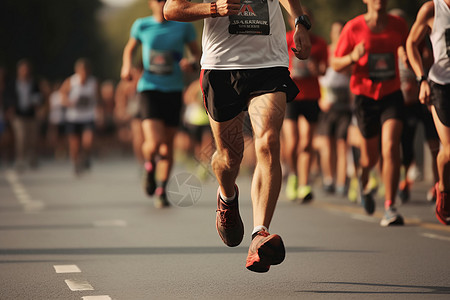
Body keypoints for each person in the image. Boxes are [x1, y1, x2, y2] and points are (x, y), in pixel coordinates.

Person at [164, 0, 311, 272]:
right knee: (229, 158)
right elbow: (172, 9)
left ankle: (259, 234)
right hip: (222, 68)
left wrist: (300, 22)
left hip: (270, 64)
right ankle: (227, 196)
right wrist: (213, 8)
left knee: (268, 141)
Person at [332, 0, 408, 226]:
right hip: (365, 97)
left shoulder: (399, 25)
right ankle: (364, 179)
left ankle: (390, 206)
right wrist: (353, 57)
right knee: (370, 157)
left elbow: (411, 45)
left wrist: (409, 55)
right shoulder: (354, 27)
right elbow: (335, 63)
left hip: (392, 93)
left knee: (391, 146)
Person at [120, 0, 201, 208]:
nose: (162, 3)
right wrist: (127, 67)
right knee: (154, 143)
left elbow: (197, 53)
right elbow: (130, 50)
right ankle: (149, 168)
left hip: (174, 91)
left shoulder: (184, 25)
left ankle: (161, 189)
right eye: (158, 0)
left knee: (168, 145)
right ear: (151, 4)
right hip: (150, 90)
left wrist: (191, 63)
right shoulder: (142, 25)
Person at [388, 8, 440, 204]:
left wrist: (412, 54)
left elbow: (429, 59)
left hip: (424, 97)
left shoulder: (417, 40)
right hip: (403, 102)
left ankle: (437, 185)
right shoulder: (389, 43)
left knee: (433, 143)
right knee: (406, 147)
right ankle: (405, 182)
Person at [406, 0, 450, 225]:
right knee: (449, 149)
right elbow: (411, 43)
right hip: (441, 85)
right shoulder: (432, 9)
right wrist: (421, 78)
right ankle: (443, 187)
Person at [283, 10, 328, 203]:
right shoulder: (285, 39)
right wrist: (288, 71)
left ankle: (304, 183)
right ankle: (293, 175)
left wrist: (316, 69)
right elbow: (277, 63)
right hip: (291, 95)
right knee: (292, 143)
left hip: (311, 96)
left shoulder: (319, 43)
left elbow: (325, 69)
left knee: (307, 143)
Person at [316, 20, 352, 197]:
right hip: (327, 102)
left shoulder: (350, 53)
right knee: (327, 143)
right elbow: (319, 74)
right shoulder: (326, 51)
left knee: (342, 144)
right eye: (336, 31)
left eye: (341, 31)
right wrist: (321, 98)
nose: (338, 35)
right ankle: (329, 178)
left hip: (344, 103)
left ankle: (341, 181)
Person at [60, 58, 99, 176]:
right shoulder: (71, 82)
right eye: (81, 71)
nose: (84, 74)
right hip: (73, 117)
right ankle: (76, 163)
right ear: (77, 71)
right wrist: (68, 102)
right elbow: (61, 95)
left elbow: (97, 99)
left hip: (88, 116)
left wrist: (100, 113)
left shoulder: (93, 82)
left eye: (86, 71)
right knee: (74, 144)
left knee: (88, 140)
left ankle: (86, 157)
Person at [7, 59, 43, 172]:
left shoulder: (33, 83)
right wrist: (10, 109)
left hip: (31, 114)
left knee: (32, 138)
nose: (25, 72)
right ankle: (20, 160)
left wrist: (37, 107)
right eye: (23, 69)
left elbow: (39, 97)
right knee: (21, 137)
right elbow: (8, 97)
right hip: (18, 115)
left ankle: (31, 156)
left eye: (26, 69)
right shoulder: (13, 83)